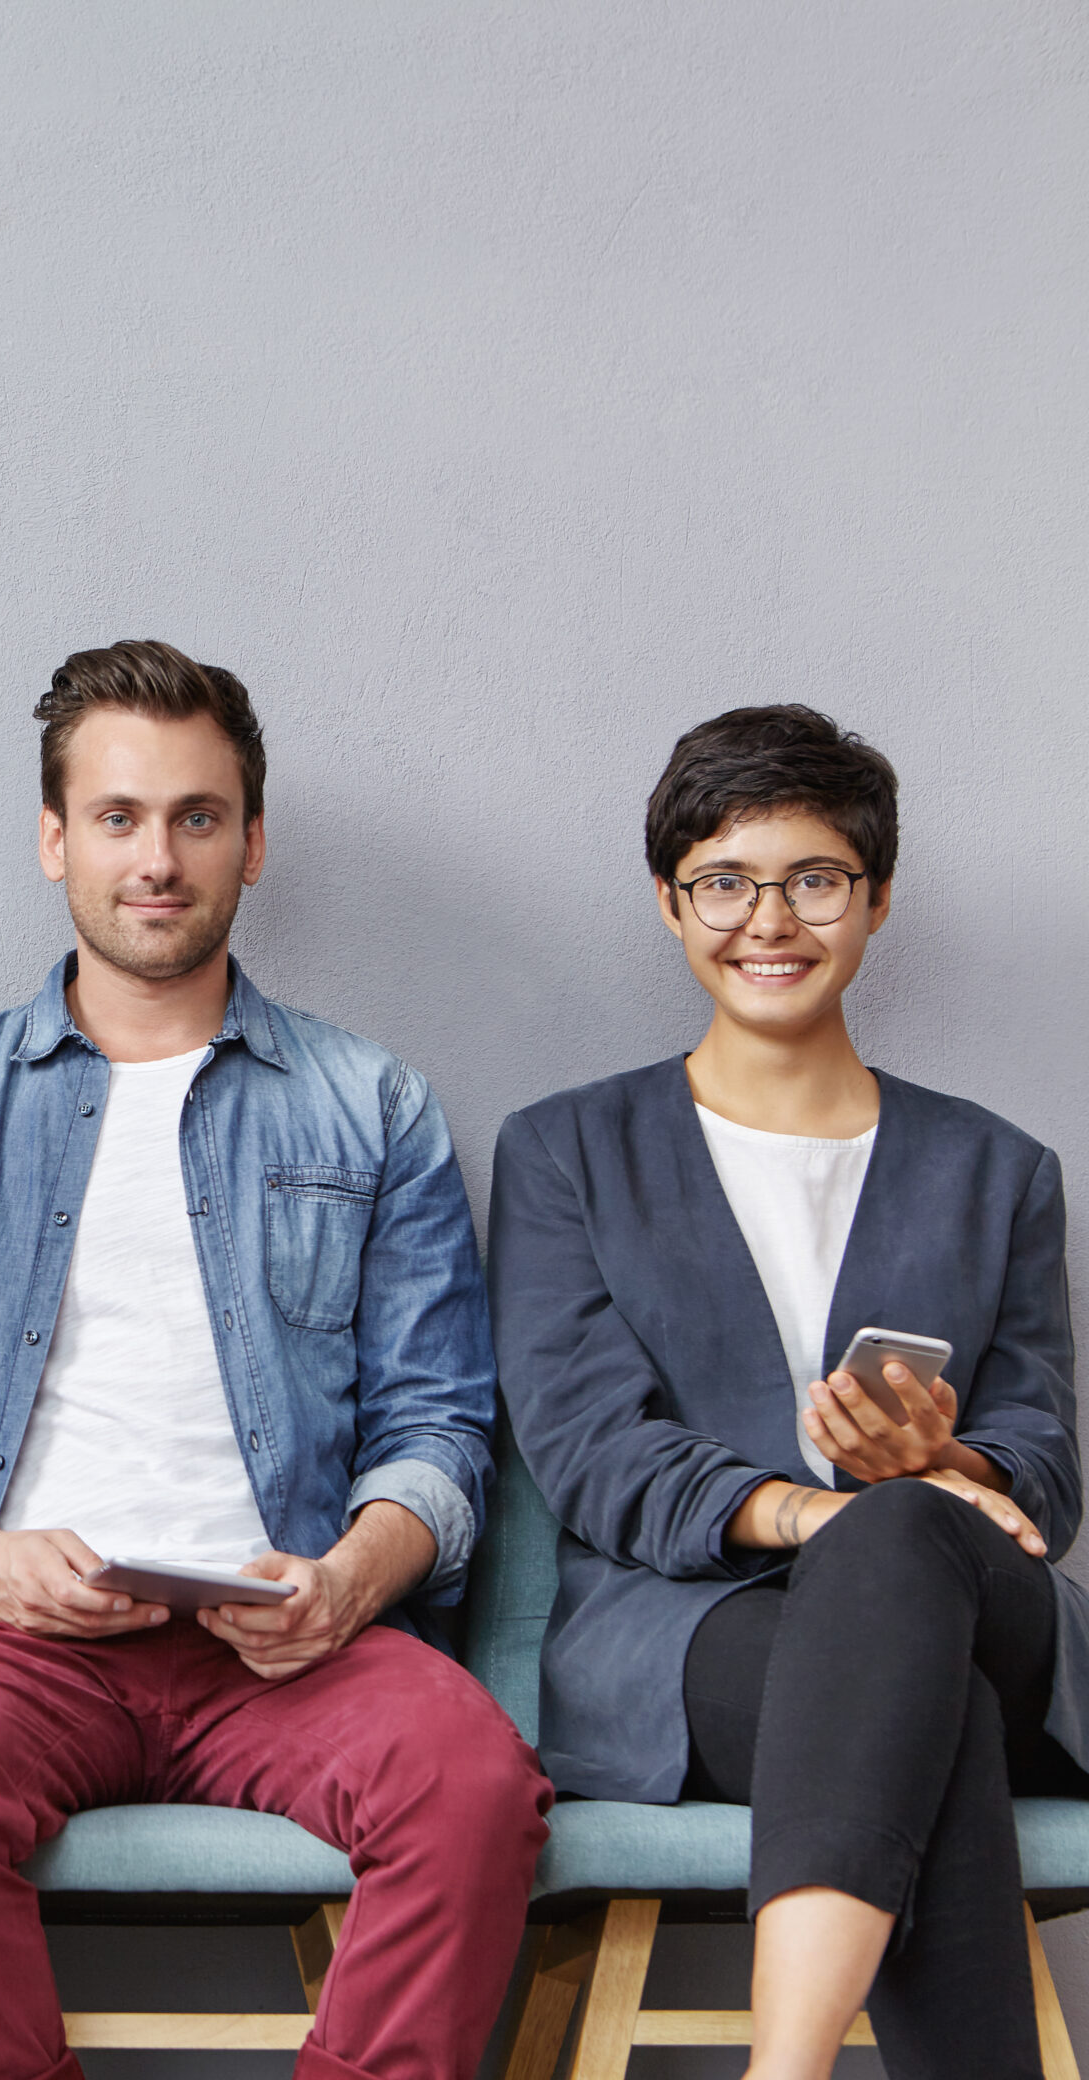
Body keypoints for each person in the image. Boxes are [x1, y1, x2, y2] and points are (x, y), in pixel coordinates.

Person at [0, 640, 550, 2080]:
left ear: (252, 842)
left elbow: (441, 1432)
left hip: (288, 1637)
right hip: (12, 1638)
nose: (159, 858)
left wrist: (347, 1583)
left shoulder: (372, 1104)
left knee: (473, 1789)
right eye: (119, 817)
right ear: (55, 839)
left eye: (198, 818)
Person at [490, 704, 1082, 2080]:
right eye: (725, 882)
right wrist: (825, 1518)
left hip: (985, 1607)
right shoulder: (569, 1151)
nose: (770, 920)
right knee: (929, 1709)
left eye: (814, 879)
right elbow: (587, 1450)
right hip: (685, 1639)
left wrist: (958, 1464)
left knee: (908, 1576)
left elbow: (1045, 1455)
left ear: (873, 899)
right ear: (669, 902)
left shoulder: (1001, 1171)